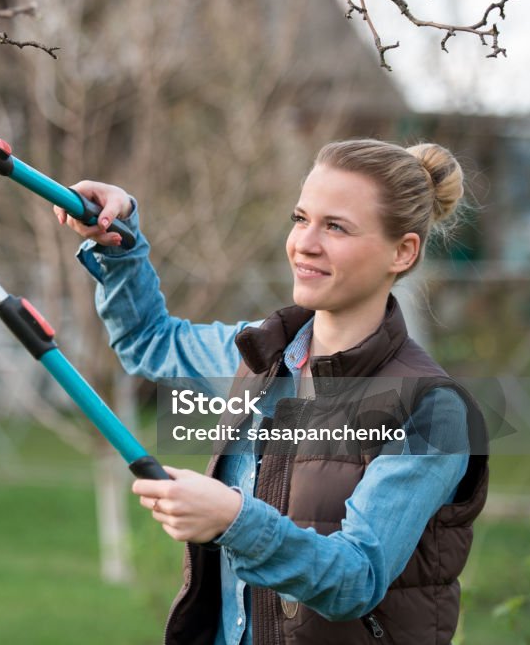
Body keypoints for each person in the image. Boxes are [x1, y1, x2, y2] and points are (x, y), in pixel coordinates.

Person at [54, 139, 488, 645]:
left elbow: (356, 579)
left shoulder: (431, 408)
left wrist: (231, 518)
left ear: (402, 250)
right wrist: (120, 238)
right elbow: (150, 342)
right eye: (300, 218)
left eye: (336, 226)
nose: (304, 242)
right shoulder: (259, 352)